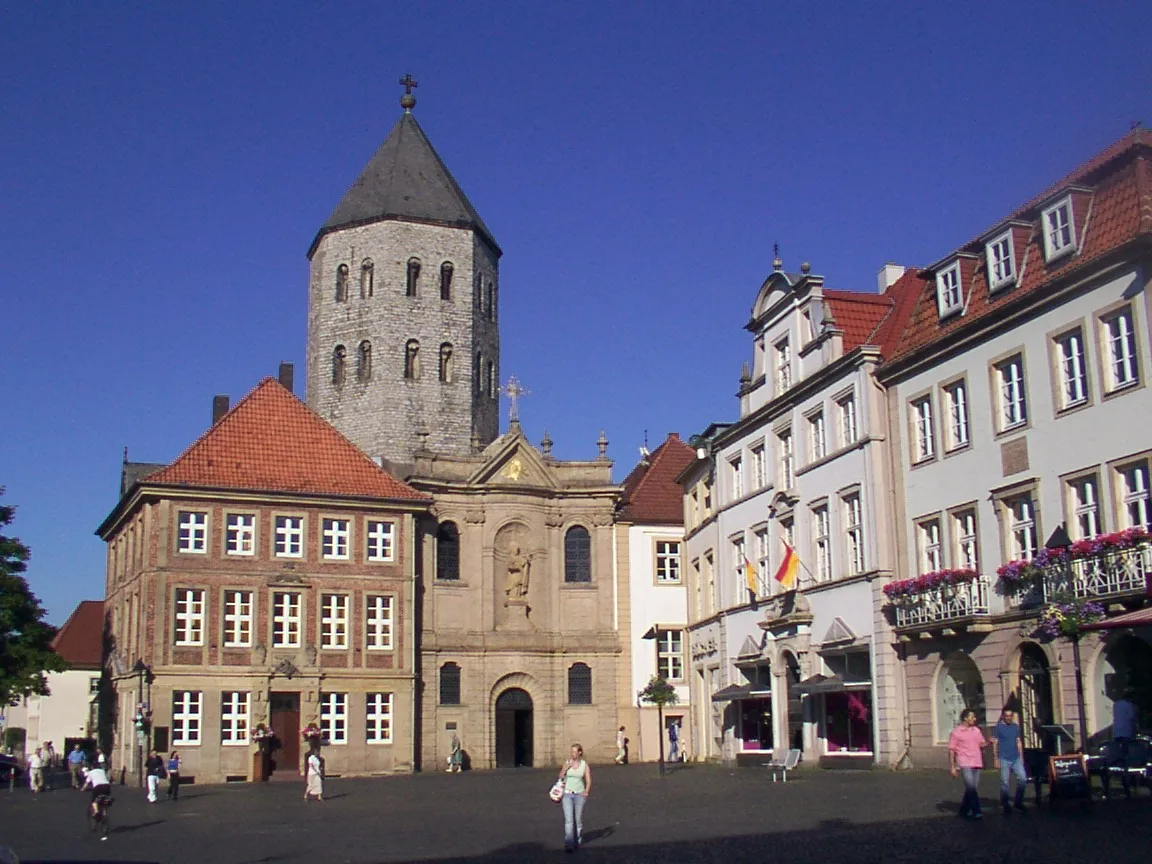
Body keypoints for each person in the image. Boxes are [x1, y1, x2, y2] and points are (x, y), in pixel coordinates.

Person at [948, 708, 989, 820]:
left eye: (974, 717)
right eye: (972, 717)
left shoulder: (976, 730)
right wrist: (952, 767)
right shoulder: (956, 732)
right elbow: (952, 749)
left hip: (976, 761)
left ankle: (963, 810)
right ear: (965, 718)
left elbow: (981, 744)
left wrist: (989, 742)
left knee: (972, 788)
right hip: (965, 762)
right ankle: (977, 811)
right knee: (971, 787)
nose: (974, 719)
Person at [991, 708, 1027, 815]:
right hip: (1003, 758)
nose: (1009, 718)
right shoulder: (998, 727)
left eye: (1010, 716)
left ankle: (1018, 801)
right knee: (1005, 782)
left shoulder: (1016, 727)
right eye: (1007, 716)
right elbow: (995, 743)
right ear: (1003, 716)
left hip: (1015, 757)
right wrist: (995, 758)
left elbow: (1018, 742)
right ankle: (1005, 802)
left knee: (1023, 778)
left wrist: (1021, 756)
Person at [557, 743, 591, 853]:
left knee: (578, 819)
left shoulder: (584, 765)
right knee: (569, 820)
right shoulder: (567, 763)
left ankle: (578, 838)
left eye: (575, 752)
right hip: (567, 793)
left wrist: (586, 791)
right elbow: (561, 776)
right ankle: (569, 843)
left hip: (579, 794)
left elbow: (588, 780)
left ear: (580, 752)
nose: (573, 754)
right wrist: (565, 769)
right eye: (572, 752)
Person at [1106, 687, 1139, 799]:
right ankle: (1129, 783)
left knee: (1119, 758)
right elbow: (1132, 719)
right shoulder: (1129, 705)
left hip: (1118, 734)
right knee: (1128, 760)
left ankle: (1123, 780)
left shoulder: (1117, 704)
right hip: (1127, 734)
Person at [82, 765, 113, 841]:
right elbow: (107, 778)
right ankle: (105, 813)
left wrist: (83, 789)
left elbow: (86, 783)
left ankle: (96, 811)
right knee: (105, 801)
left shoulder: (91, 773)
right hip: (107, 787)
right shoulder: (102, 771)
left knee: (94, 801)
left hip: (98, 787)